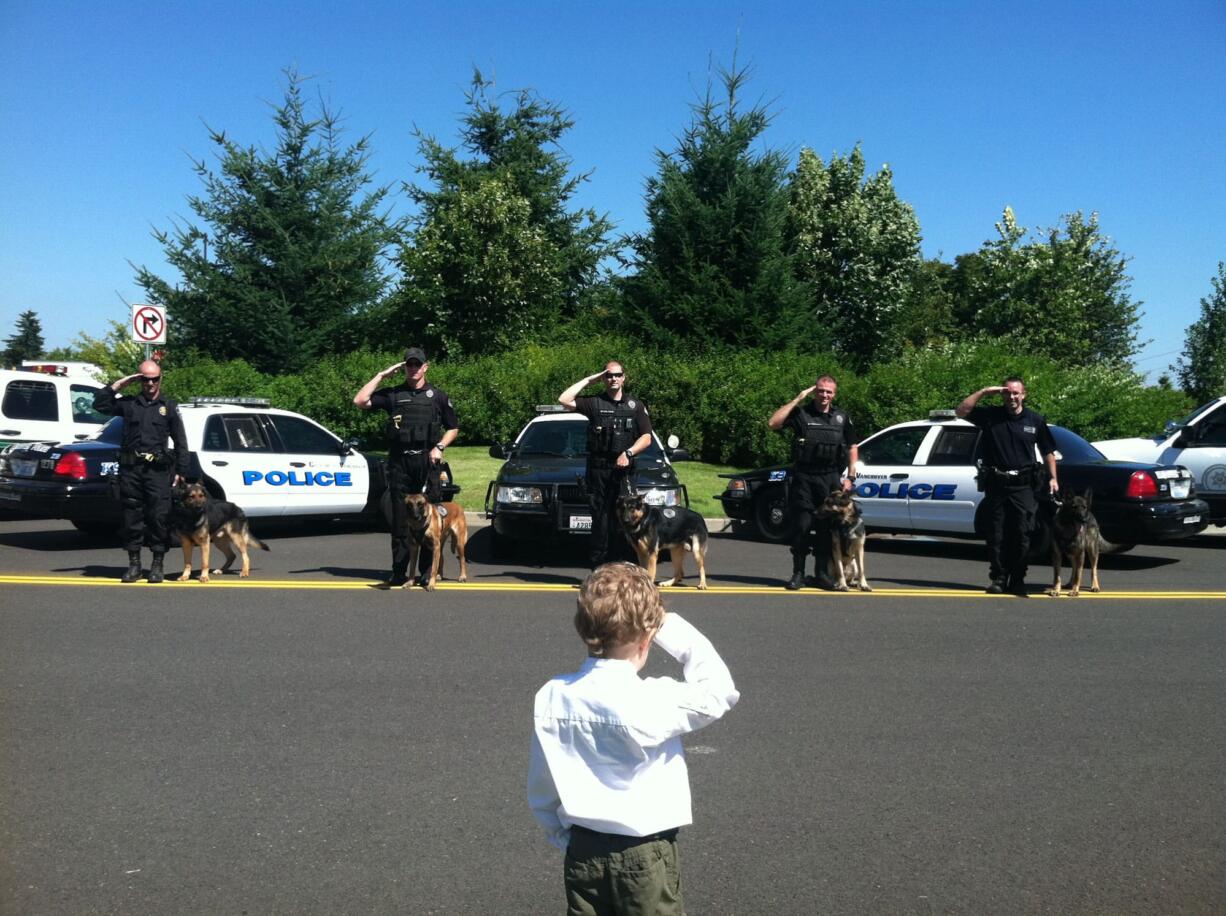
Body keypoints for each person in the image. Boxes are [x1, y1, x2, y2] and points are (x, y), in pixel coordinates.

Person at [528, 562, 740, 915]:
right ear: (647, 637)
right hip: (644, 853)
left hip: (584, 849)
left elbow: (543, 782)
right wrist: (665, 625)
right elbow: (720, 691)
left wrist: (563, 836)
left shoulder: (552, 695)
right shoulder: (650, 699)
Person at [354, 347, 458, 587]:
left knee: (429, 518)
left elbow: (453, 427)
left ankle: (425, 572)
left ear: (425, 367)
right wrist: (382, 375)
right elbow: (360, 400)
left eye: (417, 364)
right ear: (404, 367)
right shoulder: (393, 394)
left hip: (427, 460)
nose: (413, 368)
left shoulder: (438, 396)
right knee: (401, 519)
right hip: (400, 462)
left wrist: (440, 446)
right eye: (409, 365)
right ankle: (399, 571)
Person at [956, 376, 1059, 595]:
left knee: (1022, 534)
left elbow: (1048, 451)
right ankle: (999, 578)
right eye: (1007, 392)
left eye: (1015, 393)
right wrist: (983, 391)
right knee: (997, 535)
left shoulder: (1035, 420)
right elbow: (961, 411)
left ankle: (1018, 579)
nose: (1011, 397)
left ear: (1023, 394)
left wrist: (1053, 478)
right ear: (1002, 394)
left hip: (1023, 486)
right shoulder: (991, 416)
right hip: (997, 485)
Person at [93, 359, 189, 583]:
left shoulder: (169, 406)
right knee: (131, 517)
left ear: (160, 379)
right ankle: (134, 564)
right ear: (139, 380)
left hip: (157, 472)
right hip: (131, 470)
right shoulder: (129, 404)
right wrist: (122, 383)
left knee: (159, 517)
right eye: (145, 379)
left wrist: (181, 470)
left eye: (154, 379)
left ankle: (157, 564)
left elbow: (180, 441)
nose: (150, 383)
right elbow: (99, 404)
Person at [768, 374, 859, 590]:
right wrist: (797, 399)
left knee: (826, 528)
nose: (824, 395)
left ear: (834, 394)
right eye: (820, 390)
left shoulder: (842, 417)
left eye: (829, 391)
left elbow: (853, 446)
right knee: (802, 526)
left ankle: (821, 574)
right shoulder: (801, 413)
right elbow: (773, 423)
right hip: (804, 477)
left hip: (830, 478)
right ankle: (798, 573)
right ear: (814, 391)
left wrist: (851, 475)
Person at [559, 361, 653, 568]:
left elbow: (646, 438)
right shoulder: (594, 403)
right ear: (604, 379)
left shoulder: (635, 406)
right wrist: (589, 379)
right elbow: (564, 399)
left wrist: (628, 452)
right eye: (609, 376)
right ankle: (598, 569)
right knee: (600, 521)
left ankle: (622, 567)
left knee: (626, 520)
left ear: (624, 377)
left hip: (624, 470)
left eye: (617, 375)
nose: (613, 379)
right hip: (598, 470)